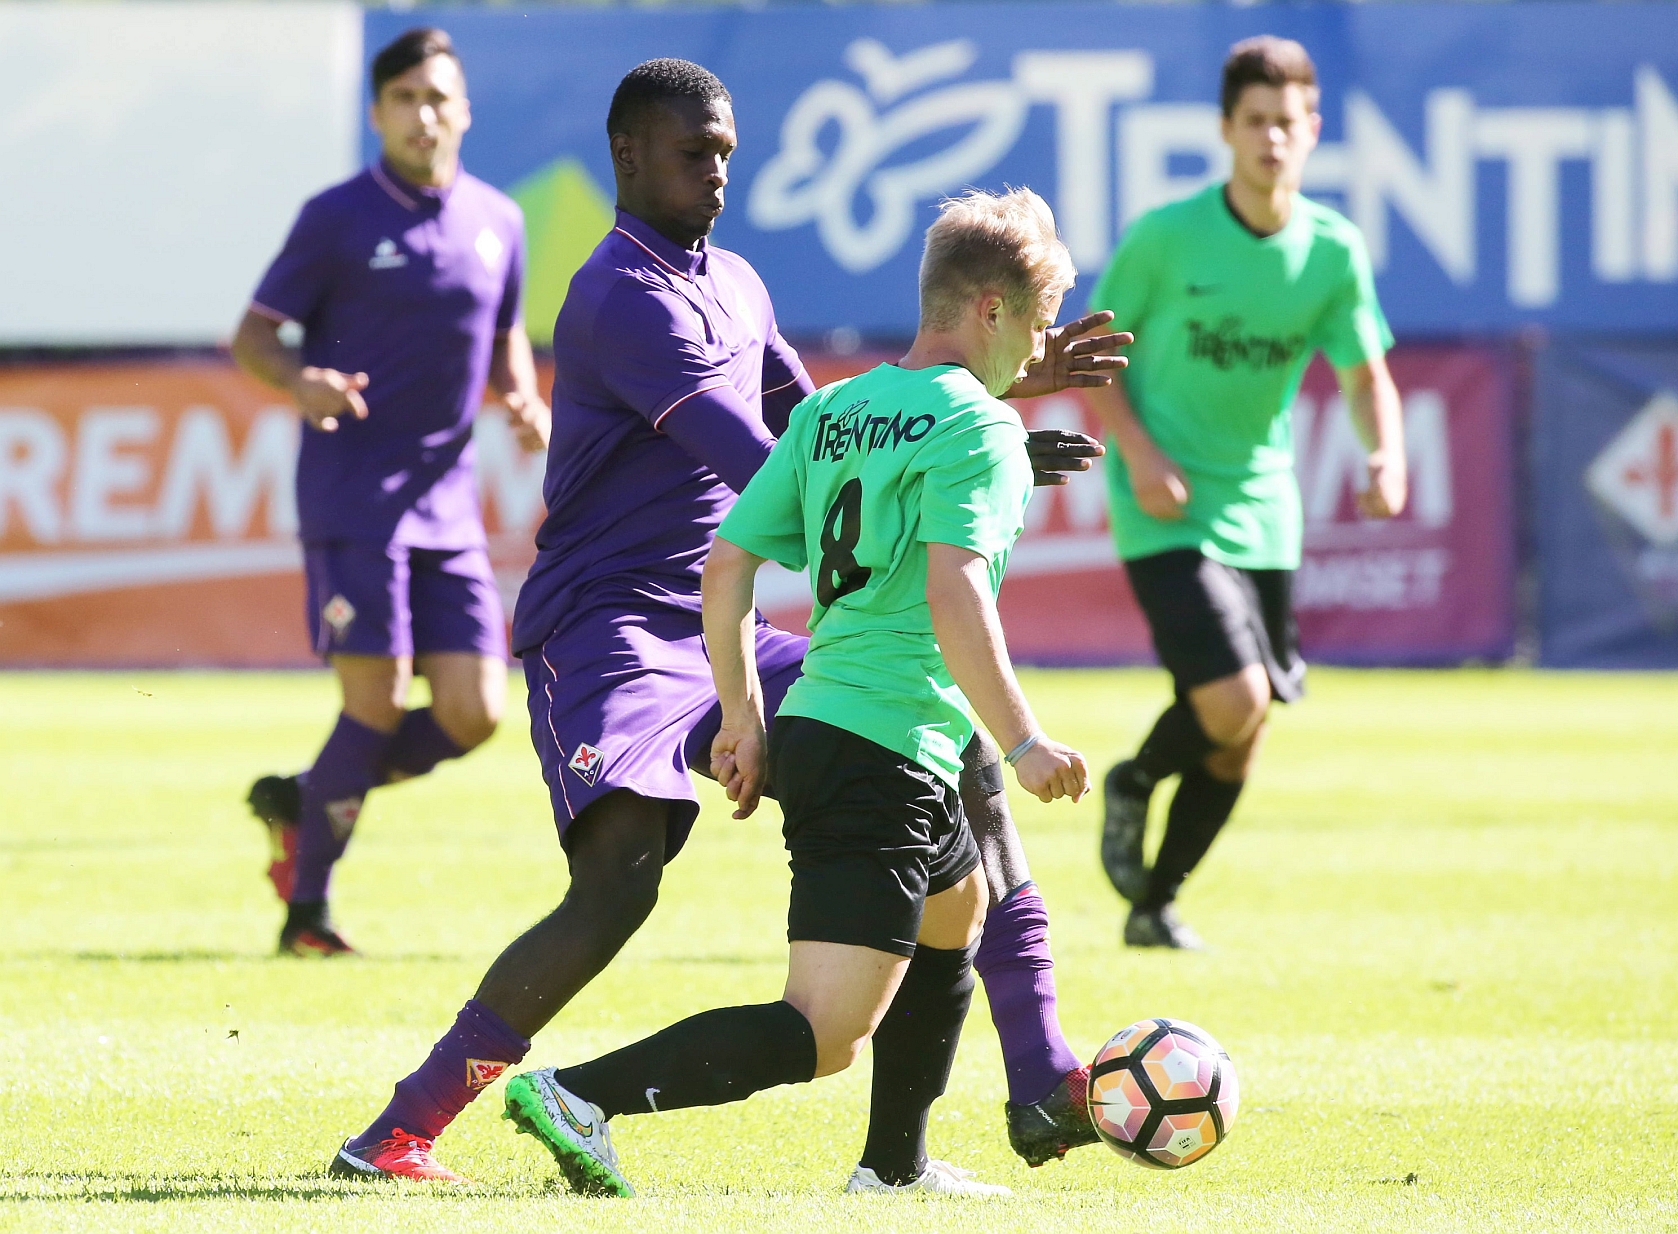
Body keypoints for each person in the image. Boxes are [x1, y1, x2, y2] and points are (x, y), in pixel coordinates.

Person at [328, 60, 1126, 1185]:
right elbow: (777, 469)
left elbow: (825, 421)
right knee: (620, 883)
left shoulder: (739, 284)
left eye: (726, 154)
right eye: (692, 152)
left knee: (942, 743)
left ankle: (1014, 1086)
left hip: (718, 616)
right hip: (608, 626)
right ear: (628, 157)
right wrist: (965, 437)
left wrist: (976, 401)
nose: (715, 173)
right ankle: (400, 1129)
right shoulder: (618, 295)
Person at [502, 185, 1090, 1199]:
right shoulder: (981, 429)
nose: (1037, 351)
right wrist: (1025, 741)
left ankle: (895, 1169)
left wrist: (743, 716)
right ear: (990, 309)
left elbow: (727, 566)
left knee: (959, 907)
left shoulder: (830, 412)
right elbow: (955, 591)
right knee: (823, 1033)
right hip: (880, 754)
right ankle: (579, 1094)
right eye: (1037, 324)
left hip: (832, 725)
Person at [233, 28, 550, 957]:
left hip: (448, 506)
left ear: (465, 111)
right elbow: (254, 336)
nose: (424, 114)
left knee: (474, 712)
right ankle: (307, 915)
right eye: (405, 97)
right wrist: (301, 381)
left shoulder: (499, 219)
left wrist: (521, 396)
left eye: (438, 97)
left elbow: (505, 333)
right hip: (353, 499)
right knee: (372, 704)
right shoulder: (335, 217)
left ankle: (307, 799)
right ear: (377, 113)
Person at [1089, 36, 1408, 949]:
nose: (1273, 138)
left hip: (1265, 507)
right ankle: (1135, 780)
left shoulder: (1332, 251)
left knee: (1242, 734)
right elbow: (1095, 356)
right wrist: (1139, 453)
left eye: (1288, 122)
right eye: (1256, 121)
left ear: (1314, 131)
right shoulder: (1166, 237)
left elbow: (1364, 375)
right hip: (1165, 503)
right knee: (1236, 699)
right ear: (1226, 130)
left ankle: (1154, 905)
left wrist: (1387, 456)